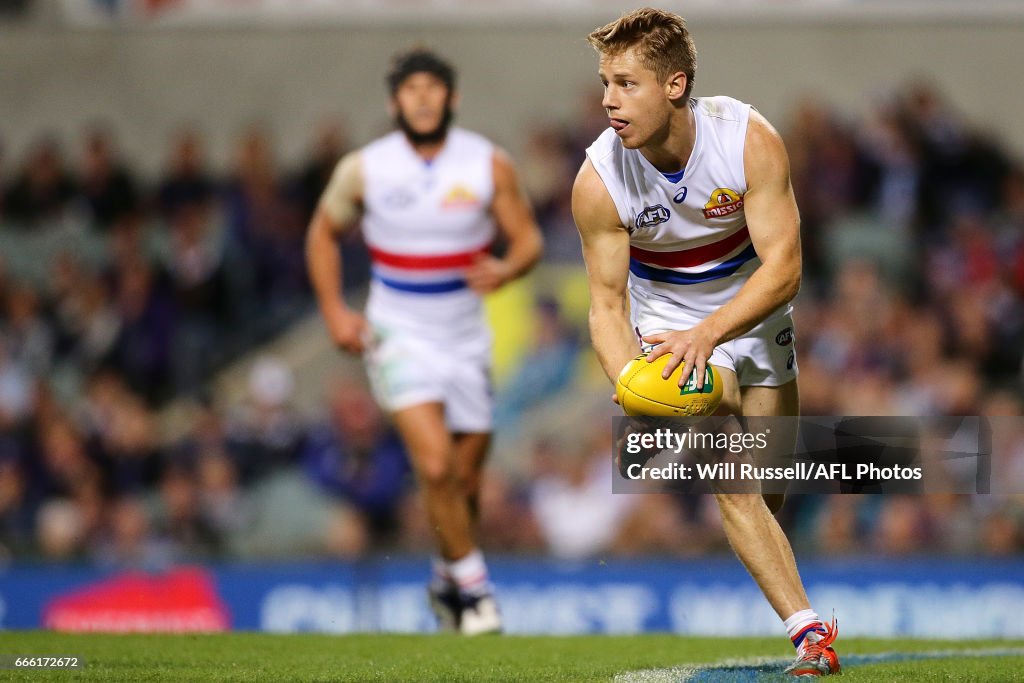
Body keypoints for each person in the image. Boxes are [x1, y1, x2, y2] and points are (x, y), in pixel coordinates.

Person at [572, 8, 839, 676]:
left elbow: (785, 268)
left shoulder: (748, 139)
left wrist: (710, 332)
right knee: (735, 479)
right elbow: (605, 306)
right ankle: (812, 636)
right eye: (605, 82)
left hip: (753, 316)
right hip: (666, 327)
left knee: (767, 488)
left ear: (674, 84)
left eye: (626, 83)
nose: (608, 99)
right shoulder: (598, 180)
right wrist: (629, 380)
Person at [306, 48, 543, 635]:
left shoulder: (488, 164)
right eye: (410, 90)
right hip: (398, 332)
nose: (421, 98)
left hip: (466, 336)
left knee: (464, 481)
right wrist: (336, 310)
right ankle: (475, 590)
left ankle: (445, 574)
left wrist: (508, 269)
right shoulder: (365, 168)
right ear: (394, 102)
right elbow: (322, 234)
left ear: (451, 99)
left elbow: (528, 240)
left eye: (432, 89)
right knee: (434, 466)